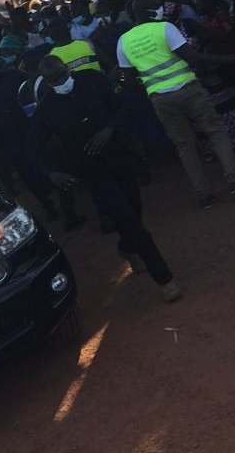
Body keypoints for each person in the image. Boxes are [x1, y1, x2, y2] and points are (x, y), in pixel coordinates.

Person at [27, 55, 180, 302]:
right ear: (46, 80)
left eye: (62, 74)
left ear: (67, 68)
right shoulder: (46, 108)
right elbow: (32, 148)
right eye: (53, 79)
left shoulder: (93, 80)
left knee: (134, 207)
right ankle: (165, 279)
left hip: (120, 157)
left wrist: (109, 130)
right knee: (128, 218)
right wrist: (51, 173)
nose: (60, 81)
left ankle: (127, 247)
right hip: (91, 172)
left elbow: (126, 106)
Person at [117, 0, 235, 208]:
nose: (162, 8)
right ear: (147, 11)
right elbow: (194, 58)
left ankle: (203, 195)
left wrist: (151, 84)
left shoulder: (123, 41)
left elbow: (129, 83)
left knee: (184, 145)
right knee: (216, 131)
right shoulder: (165, 28)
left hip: (160, 98)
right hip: (188, 88)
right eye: (157, 6)